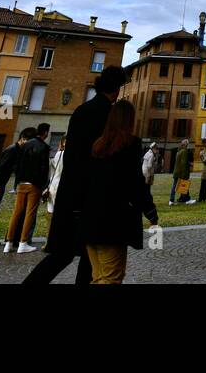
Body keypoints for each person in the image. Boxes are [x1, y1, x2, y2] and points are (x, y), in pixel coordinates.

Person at [23, 65, 129, 284]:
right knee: (89, 258)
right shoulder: (109, 115)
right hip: (92, 197)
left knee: (62, 254)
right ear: (117, 89)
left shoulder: (82, 110)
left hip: (71, 192)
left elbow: (73, 156)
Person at [77, 99, 159, 284]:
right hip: (112, 224)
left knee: (98, 277)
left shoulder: (98, 144)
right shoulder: (129, 145)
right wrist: (150, 212)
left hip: (90, 220)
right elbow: (136, 183)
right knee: (111, 278)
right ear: (129, 120)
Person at [6, 125, 49, 253]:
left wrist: (17, 182)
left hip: (21, 183)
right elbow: (44, 168)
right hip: (34, 184)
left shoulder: (25, 145)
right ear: (46, 133)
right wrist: (42, 185)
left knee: (16, 212)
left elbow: (17, 165)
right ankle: (23, 242)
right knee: (29, 213)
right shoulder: (44, 147)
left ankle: (8, 242)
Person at [170, 138, 195, 206]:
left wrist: (188, 163)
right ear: (185, 144)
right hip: (181, 172)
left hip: (176, 172)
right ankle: (187, 200)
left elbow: (179, 162)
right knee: (184, 185)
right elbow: (183, 163)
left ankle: (171, 200)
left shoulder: (179, 151)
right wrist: (184, 174)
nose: (187, 145)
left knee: (175, 186)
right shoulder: (184, 151)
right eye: (187, 144)